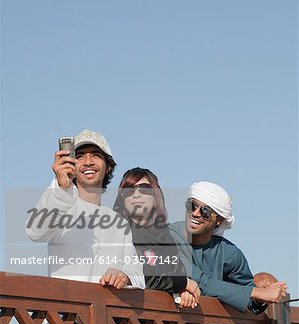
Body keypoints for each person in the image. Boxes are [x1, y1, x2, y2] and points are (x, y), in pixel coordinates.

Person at [26, 129, 145, 289]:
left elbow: (137, 273)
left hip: (106, 313)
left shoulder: (119, 223)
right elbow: (35, 232)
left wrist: (125, 275)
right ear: (72, 163)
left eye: (96, 155)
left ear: (108, 166)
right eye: (80, 156)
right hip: (65, 312)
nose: (88, 162)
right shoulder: (60, 204)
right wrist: (61, 187)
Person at [170, 181, 287, 313]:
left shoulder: (229, 253)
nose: (196, 213)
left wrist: (262, 295)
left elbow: (248, 296)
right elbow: (196, 279)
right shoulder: (167, 237)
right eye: (192, 206)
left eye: (205, 211)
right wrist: (257, 292)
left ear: (219, 220)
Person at [113, 167, 201, 308]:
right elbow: (138, 278)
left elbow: (180, 274)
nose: (136, 195)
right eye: (129, 189)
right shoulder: (117, 232)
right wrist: (181, 283)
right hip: (123, 320)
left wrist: (184, 291)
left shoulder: (167, 238)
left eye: (144, 188)